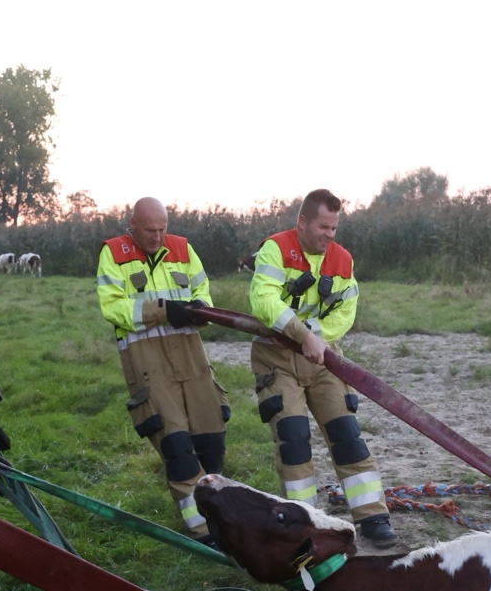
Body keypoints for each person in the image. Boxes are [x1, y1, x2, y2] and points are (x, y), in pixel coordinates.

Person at [248, 189, 395, 547]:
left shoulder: (342, 260)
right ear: (302, 222)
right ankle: (301, 525)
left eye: (334, 228)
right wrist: (301, 335)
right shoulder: (275, 250)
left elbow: (347, 310)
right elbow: (262, 299)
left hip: (322, 358)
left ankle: (373, 518)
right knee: (294, 440)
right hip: (276, 357)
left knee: (347, 435)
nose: (329, 235)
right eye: (322, 227)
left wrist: (316, 337)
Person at [95, 197, 227, 540]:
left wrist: (201, 308)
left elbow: (204, 292)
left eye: (162, 229)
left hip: (191, 356)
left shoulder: (183, 249)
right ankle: (202, 532)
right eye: (150, 230)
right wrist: (164, 310)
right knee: (176, 445)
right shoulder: (113, 252)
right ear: (133, 225)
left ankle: (217, 511)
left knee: (211, 439)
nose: (157, 237)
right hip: (147, 361)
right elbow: (113, 308)